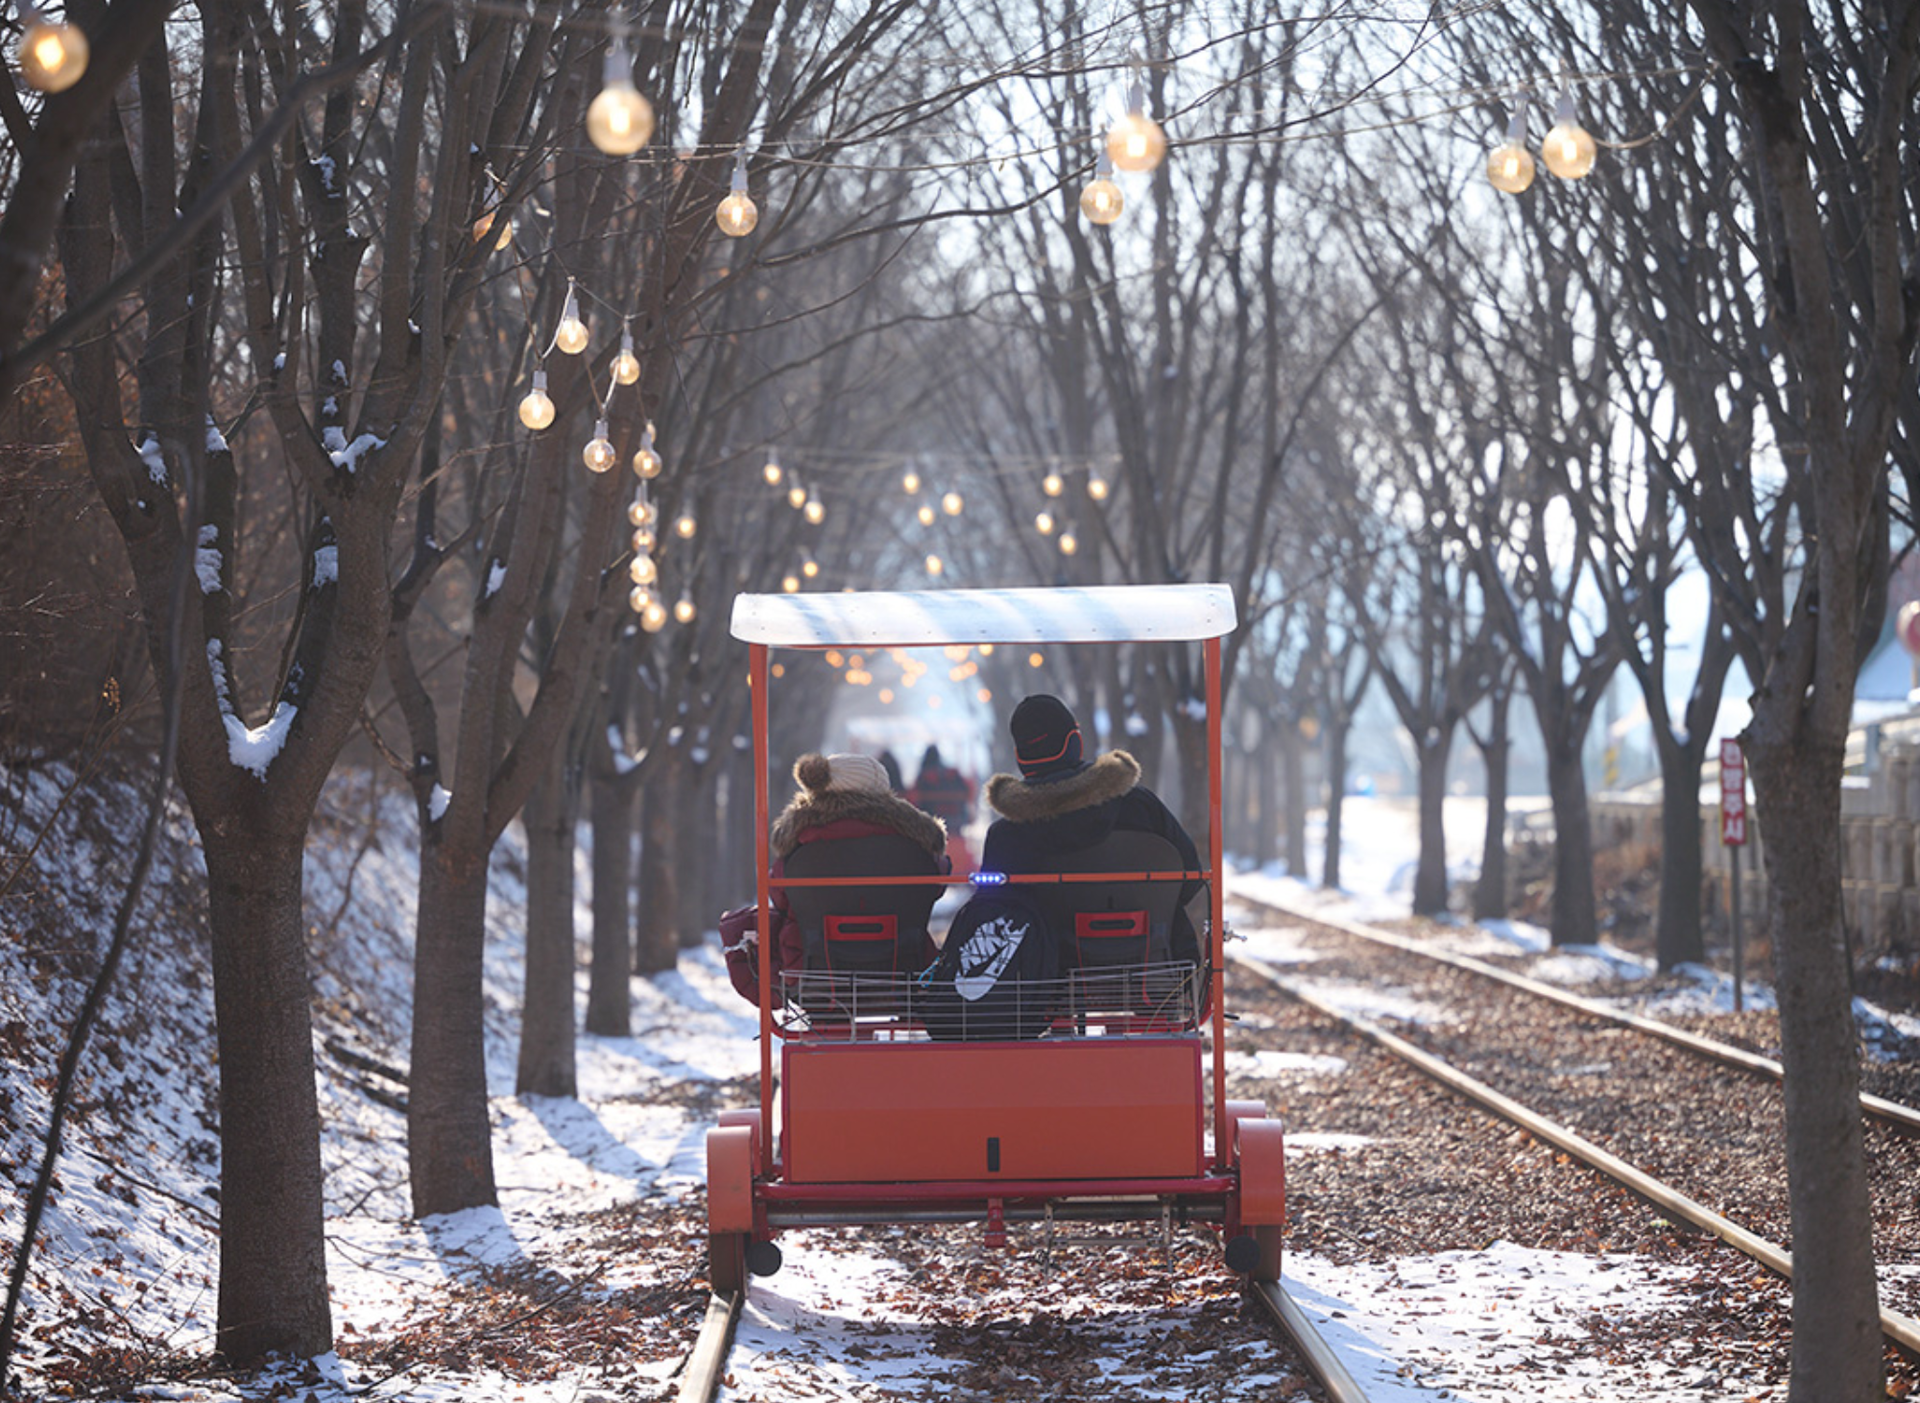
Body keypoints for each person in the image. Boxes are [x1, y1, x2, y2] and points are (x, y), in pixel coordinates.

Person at [980, 694, 1204, 969]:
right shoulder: (1140, 807)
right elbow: (1190, 879)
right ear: (1075, 741)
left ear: (1020, 757)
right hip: (1149, 967)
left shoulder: (1006, 836)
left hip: (1045, 979)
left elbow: (993, 911)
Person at [721, 752, 949, 1006]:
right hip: (904, 969)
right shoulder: (914, 840)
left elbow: (780, 897)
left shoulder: (799, 841)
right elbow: (936, 884)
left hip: (814, 972)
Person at [909, 742, 977, 876]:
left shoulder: (923, 777)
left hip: (932, 823)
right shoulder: (952, 774)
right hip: (956, 821)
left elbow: (915, 800)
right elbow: (968, 792)